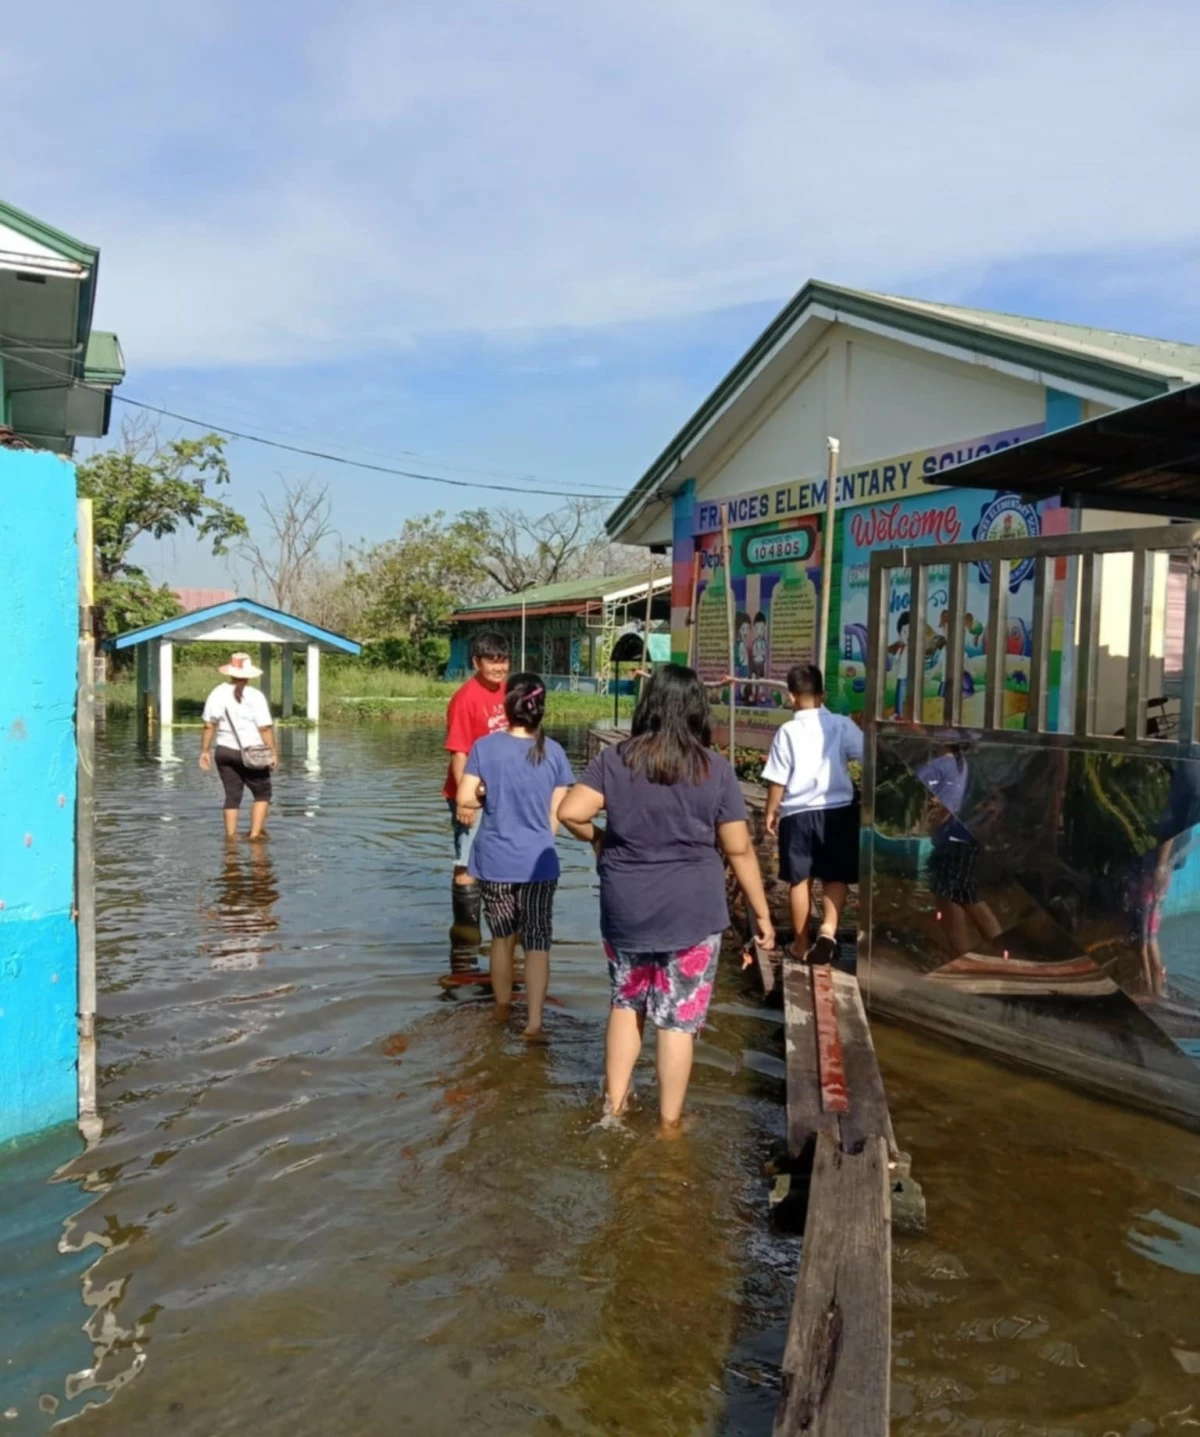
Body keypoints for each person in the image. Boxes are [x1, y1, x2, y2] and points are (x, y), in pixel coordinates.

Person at [559, 664, 775, 1132]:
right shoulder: (713, 768)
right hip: (692, 911)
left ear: (649, 705)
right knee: (677, 1019)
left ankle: (612, 1111)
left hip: (626, 904)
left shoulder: (616, 760)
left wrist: (597, 839)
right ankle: (669, 1124)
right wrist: (761, 915)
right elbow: (738, 847)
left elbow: (569, 812)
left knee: (625, 1003)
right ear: (696, 707)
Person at [456, 673, 574, 1036]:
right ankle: (535, 1023)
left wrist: (485, 794)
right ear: (540, 708)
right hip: (539, 862)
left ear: (507, 706)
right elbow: (559, 812)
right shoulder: (554, 751)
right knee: (537, 942)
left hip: (495, 861)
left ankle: (503, 1009)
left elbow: (463, 798)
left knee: (502, 939)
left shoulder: (484, 748)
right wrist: (540, 838)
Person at [762, 663, 862, 964]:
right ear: (823, 694)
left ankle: (801, 943)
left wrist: (770, 811)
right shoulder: (843, 725)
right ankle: (829, 929)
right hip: (839, 811)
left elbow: (778, 778)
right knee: (836, 876)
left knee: (799, 880)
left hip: (798, 814)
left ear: (791, 698)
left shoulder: (787, 731)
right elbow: (867, 755)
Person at [445, 631, 512, 931]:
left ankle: (503, 930)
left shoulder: (508, 691)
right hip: (472, 790)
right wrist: (465, 799)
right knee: (467, 862)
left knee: (503, 860)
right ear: (476, 662)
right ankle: (466, 935)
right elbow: (459, 752)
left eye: (504, 661)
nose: (499, 668)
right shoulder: (465, 699)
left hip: (503, 791)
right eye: (492, 661)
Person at [916, 735, 1003, 959]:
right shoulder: (960, 764)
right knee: (948, 895)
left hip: (953, 839)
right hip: (964, 838)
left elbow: (941, 804)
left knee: (966, 896)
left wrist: (933, 825)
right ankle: (961, 953)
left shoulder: (936, 766)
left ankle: (1001, 950)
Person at [199, 652, 277, 841]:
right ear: (249, 675)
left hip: (224, 752)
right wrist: (273, 752)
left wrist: (205, 751)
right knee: (262, 793)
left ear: (230, 672)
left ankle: (231, 838)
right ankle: (255, 835)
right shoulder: (255, 696)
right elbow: (264, 728)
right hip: (252, 753)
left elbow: (209, 725)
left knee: (232, 796)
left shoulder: (217, 692)